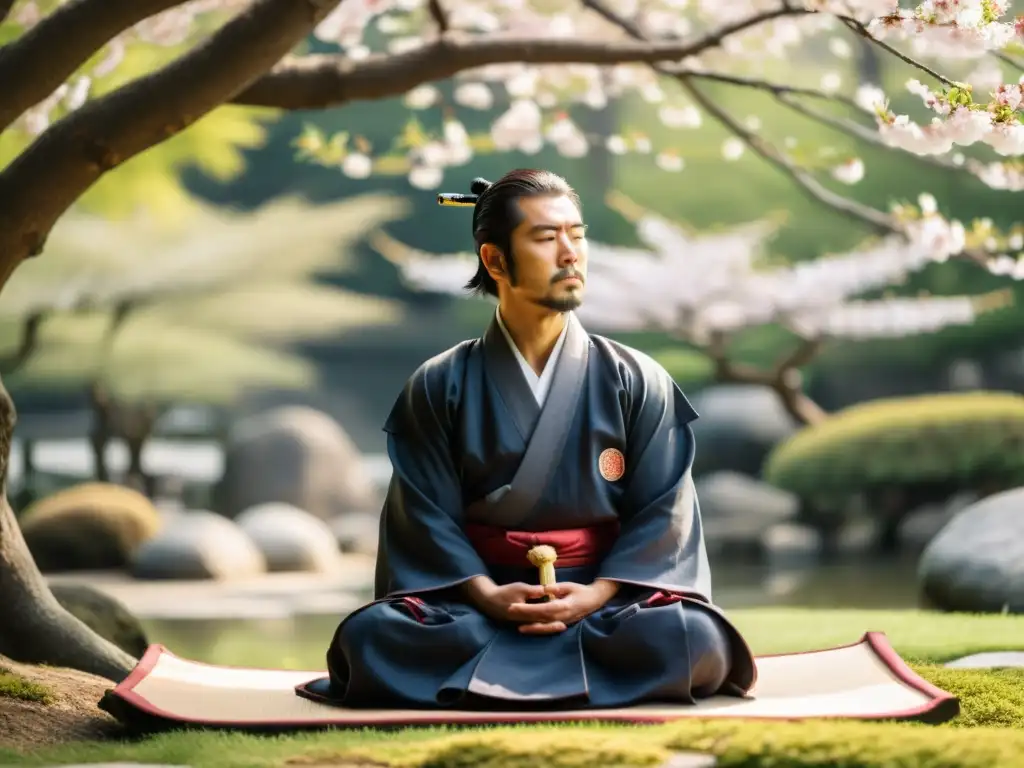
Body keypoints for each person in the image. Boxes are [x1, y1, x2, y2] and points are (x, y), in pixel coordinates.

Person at [298, 169, 757, 711]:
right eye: (546, 237)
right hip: (475, 605)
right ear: (495, 261)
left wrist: (596, 594)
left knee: (690, 638)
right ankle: (578, 675)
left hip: (606, 607)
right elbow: (424, 518)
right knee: (371, 638)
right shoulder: (440, 383)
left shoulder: (637, 378)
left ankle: (492, 678)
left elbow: (664, 514)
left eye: (577, 235)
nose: (571, 254)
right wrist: (488, 595)